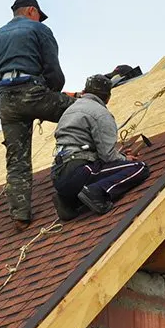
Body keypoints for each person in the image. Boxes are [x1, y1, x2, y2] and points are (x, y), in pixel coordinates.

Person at [0, 0, 75, 227]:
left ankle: (20, 216)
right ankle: (91, 166)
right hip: (33, 91)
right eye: (38, 15)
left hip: (7, 101)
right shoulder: (38, 29)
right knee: (83, 110)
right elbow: (53, 71)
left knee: (17, 161)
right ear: (32, 11)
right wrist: (53, 94)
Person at [51, 74, 150, 221]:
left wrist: (120, 155)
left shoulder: (70, 111)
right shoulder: (100, 113)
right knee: (139, 167)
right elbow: (108, 156)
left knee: (100, 171)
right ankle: (96, 192)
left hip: (59, 176)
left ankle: (69, 200)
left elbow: (85, 147)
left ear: (85, 91)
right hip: (80, 170)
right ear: (107, 98)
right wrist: (124, 159)